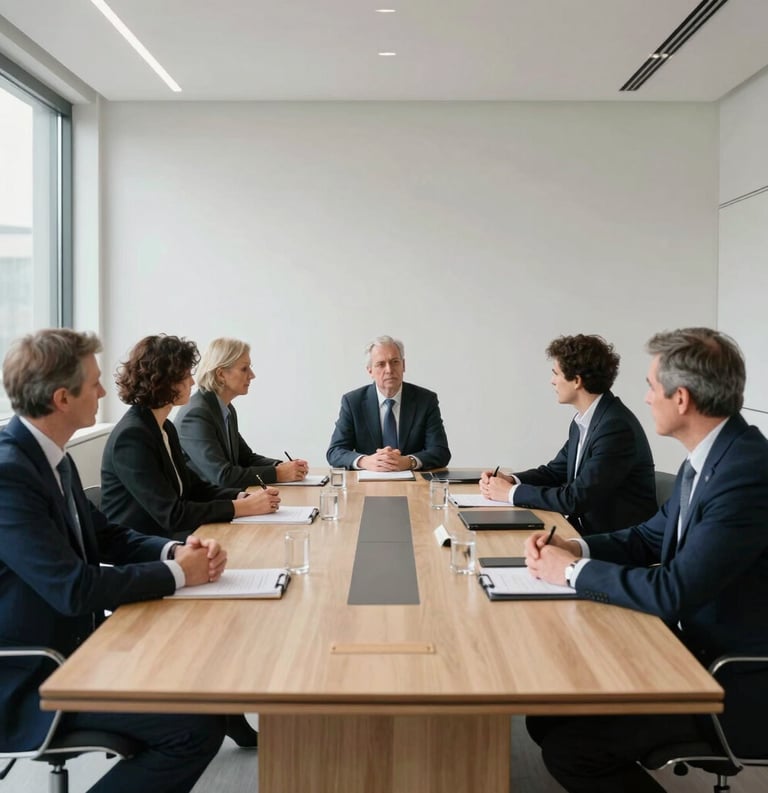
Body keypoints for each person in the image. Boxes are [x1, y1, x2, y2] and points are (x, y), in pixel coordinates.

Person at [523, 327, 768, 793]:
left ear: (681, 398)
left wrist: (570, 571)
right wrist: (578, 548)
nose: (645, 397)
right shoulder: (712, 459)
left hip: (730, 682)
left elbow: (673, 591)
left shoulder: (745, 474)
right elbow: (648, 537)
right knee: (547, 717)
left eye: (652, 387)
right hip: (688, 655)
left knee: (571, 749)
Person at [0, 329, 227, 793]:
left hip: (79, 650)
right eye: (94, 383)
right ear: (63, 398)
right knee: (195, 729)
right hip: (32, 677)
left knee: (204, 679)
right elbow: (73, 589)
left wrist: (173, 551)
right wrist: (177, 574)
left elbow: (108, 537)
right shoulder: (9, 476)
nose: (104, 391)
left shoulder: (50, 458)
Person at [101, 335, 281, 541]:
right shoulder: (132, 437)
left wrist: (241, 497)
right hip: (142, 548)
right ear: (163, 381)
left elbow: (193, 487)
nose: (192, 381)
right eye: (185, 375)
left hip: (167, 538)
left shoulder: (164, 427)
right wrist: (239, 507)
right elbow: (173, 514)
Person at [480, 334, 656, 535]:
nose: (552, 381)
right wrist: (511, 480)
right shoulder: (585, 421)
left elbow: (575, 499)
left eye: (556, 373)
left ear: (577, 381)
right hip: (584, 532)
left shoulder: (615, 428)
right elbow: (555, 472)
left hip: (616, 544)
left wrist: (510, 493)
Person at [175, 337, 309, 488]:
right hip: (207, 504)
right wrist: (278, 473)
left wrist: (283, 466)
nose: (252, 375)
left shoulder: (225, 408)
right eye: (244, 369)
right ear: (221, 374)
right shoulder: (196, 415)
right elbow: (223, 476)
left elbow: (246, 459)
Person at [326, 335, 451, 471]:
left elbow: (441, 452)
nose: (389, 370)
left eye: (395, 362)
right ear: (370, 371)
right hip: (367, 484)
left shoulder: (425, 400)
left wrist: (409, 461)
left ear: (403, 365)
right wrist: (365, 461)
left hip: (414, 485)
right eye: (381, 364)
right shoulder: (353, 402)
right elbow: (335, 451)